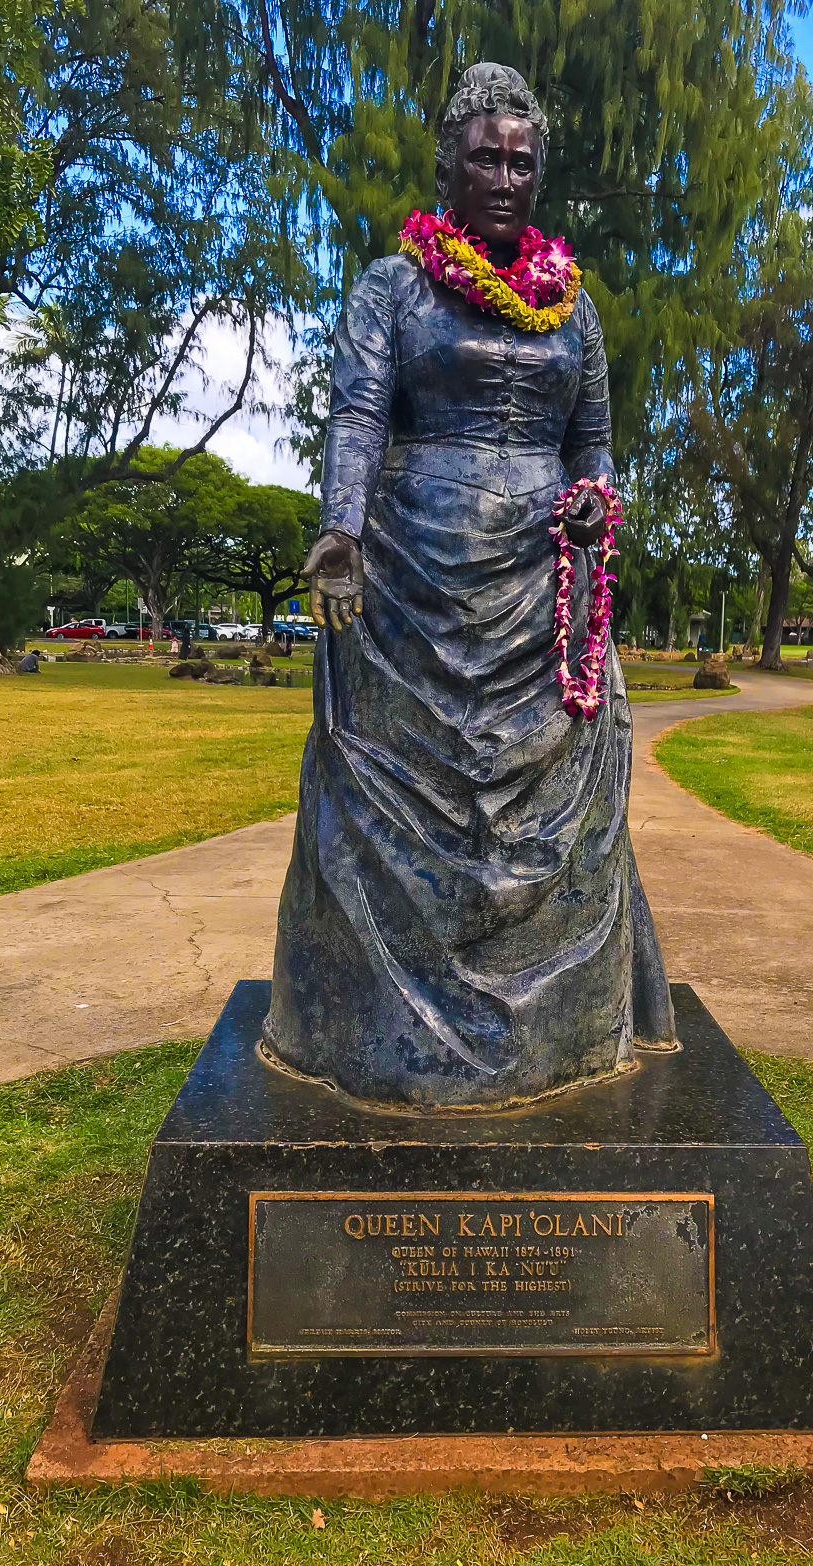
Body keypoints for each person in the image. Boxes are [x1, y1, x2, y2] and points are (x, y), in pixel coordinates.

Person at [263, 62, 675, 1107]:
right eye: (486, 155)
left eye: (521, 160)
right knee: (396, 813)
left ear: (539, 176)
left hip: (541, 595)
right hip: (410, 579)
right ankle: (374, 1027)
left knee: (559, 816)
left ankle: (559, 1035)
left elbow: (597, 447)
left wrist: (594, 501)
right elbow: (358, 415)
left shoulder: (574, 306)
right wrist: (339, 529)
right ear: (448, 161)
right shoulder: (391, 287)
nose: (504, 173)